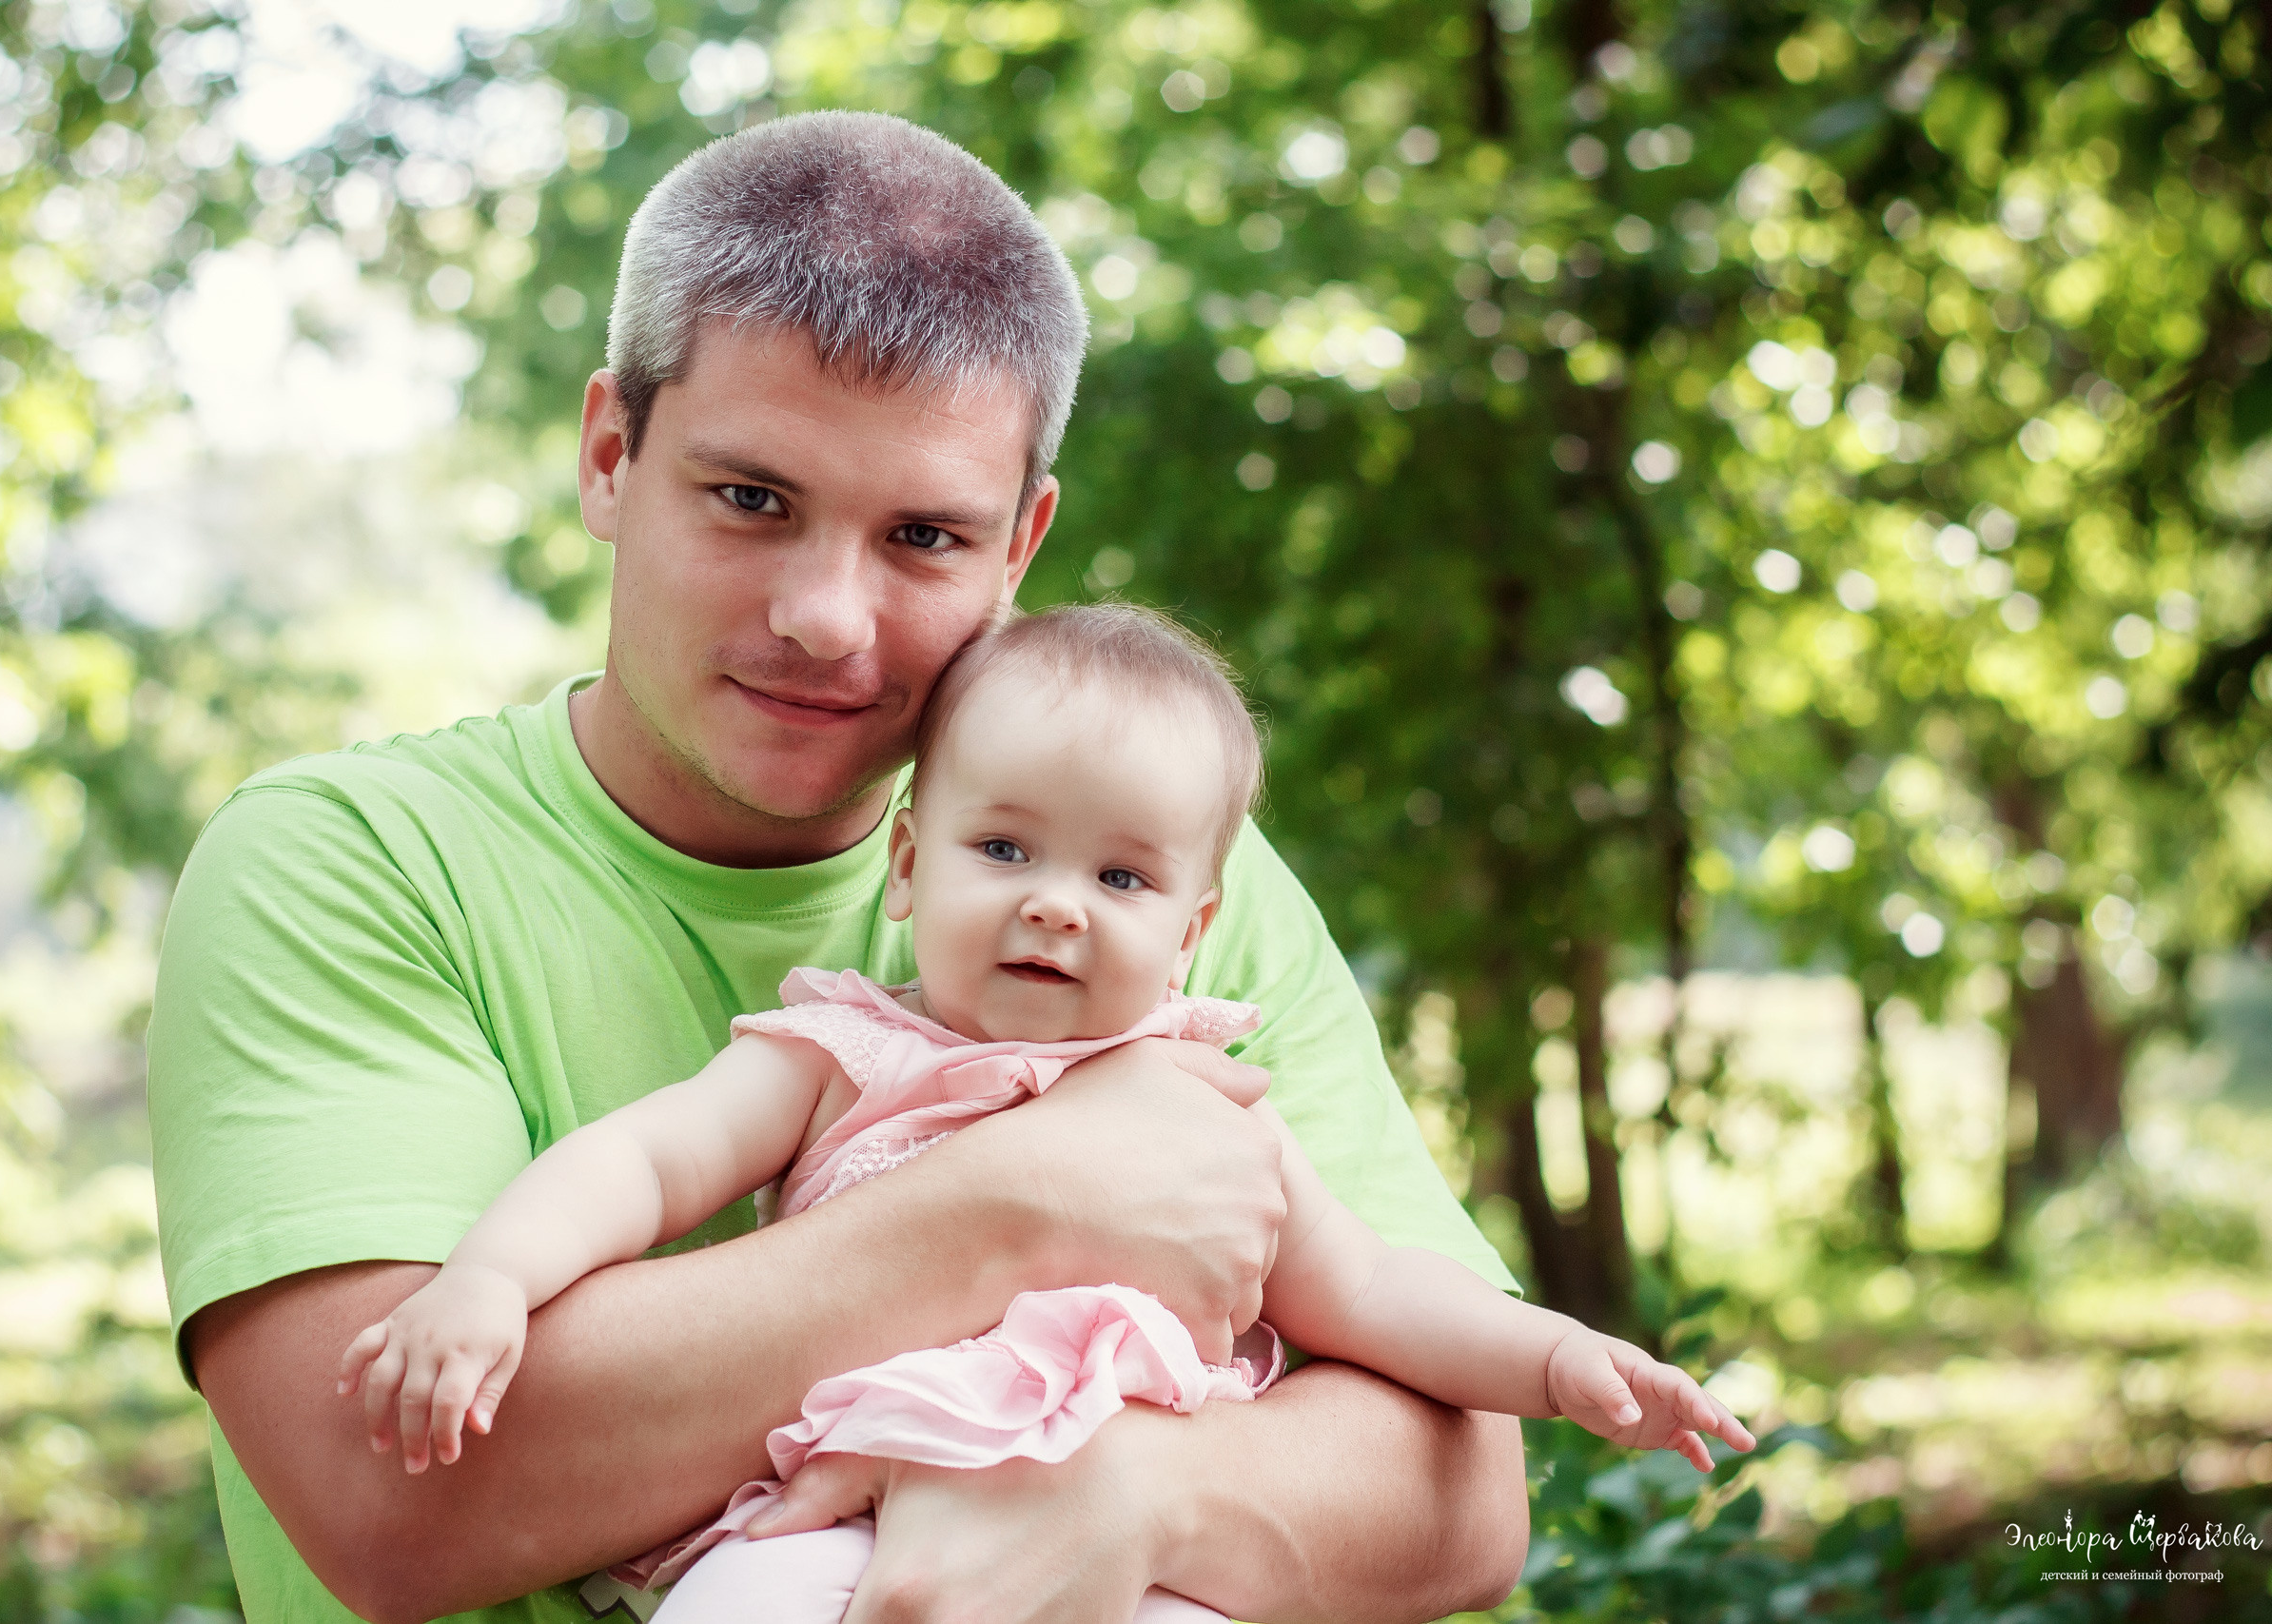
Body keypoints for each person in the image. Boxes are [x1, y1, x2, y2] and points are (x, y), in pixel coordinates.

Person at [147, 110, 1557, 1624]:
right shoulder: (352, 867)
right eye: (753, 500)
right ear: (613, 455)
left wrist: (1134, 1498)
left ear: (1021, 548)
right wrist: (1027, 1200)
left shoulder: (1139, 871)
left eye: (925, 537)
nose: (828, 616)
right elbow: (391, 1505)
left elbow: (1465, 1499)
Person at [333, 604, 1756, 1623]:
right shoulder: (841, 1051)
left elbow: (1377, 1293)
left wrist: (1563, 1361)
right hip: (836, 1515)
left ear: (1197, 927)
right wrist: (493, 1280)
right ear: (906, 863)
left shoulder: (1214, 1114)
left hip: (1134, 1554)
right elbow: (644, 1162)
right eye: (1002, 846)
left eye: (1121, 881)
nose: (1053, 902)